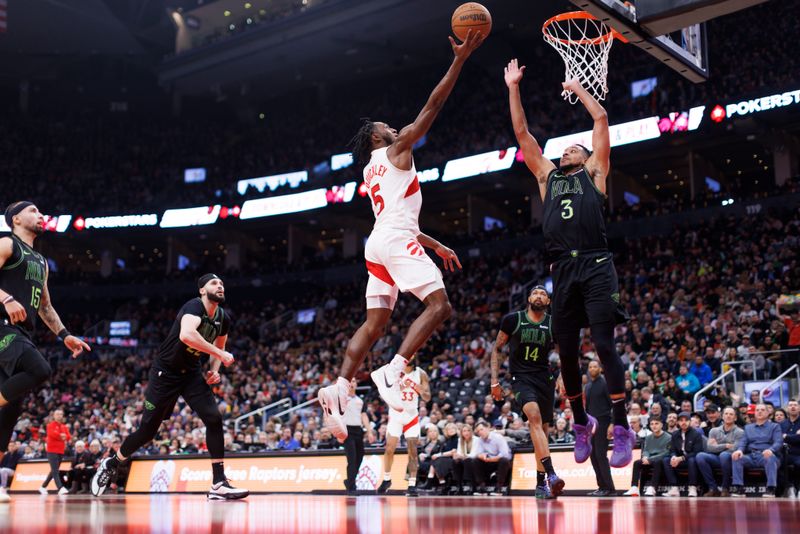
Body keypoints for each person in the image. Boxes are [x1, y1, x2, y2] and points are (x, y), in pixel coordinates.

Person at [317, 30, 485, 442]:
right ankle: (393, 370)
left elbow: (398, 217)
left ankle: (340, 386)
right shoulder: (397, 149)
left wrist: (433, 243)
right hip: (392, 239)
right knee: (440, 305)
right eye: (387, 127)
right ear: (379, 138)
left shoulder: (370, 167)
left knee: (374, 323)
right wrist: (460, 60)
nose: (395, 127)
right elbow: (434, 104)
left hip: (380, 243)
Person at [504, 59, 634, 469]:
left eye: (573, 148)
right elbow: (523, 134)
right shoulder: (547, 176)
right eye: (563, 149)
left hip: (596, 265)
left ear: (586, 155)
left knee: (605, 345)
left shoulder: (595, 170)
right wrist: (513, 88)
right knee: (568, 353)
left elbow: (601, 117)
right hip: (562, 269)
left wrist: (577, 89)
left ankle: (622, 426)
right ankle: (581, 423)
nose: (566, 151)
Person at [91, 274, 248, 500]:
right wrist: (220, 355)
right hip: (165, 372)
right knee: (148, 430)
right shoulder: (193, 306)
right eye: (214, 283)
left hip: (191, 373)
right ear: (202, 290)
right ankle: (112, 462)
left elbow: (219, 345)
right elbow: (187, 335)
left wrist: (215, 369)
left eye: (222, 283)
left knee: (214, 418)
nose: (220, 286)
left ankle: (218, 483)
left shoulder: (223, 318)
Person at [0, 202, 91, 494]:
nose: (41, 216)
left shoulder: (40, 260)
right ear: (16, 219)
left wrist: (64, 334)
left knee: (10, 410)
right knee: (39, 369)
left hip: (21, 330)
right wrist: (6, 299)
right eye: (34, 211)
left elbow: (45, 306)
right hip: (2, 325)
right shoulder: (6, 243)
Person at [491, 285, 564, 499]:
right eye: (535, 293)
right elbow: (496, 349)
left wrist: (562, 376)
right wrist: (494, 381)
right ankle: (551, 474)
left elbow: (565, 352)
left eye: (543, 294)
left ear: (548, 302)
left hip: (545, 379)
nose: (539, 296)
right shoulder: (513, 320)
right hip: (521, 378)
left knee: (542, 431)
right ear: (529, 298)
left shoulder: (553, 323)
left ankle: (541, 485)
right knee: (534, 417)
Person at [377, 362, 431, 497]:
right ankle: (387, 479)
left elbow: (427, 397)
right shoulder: (393, 371)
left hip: (411, 417)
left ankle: (412, 484)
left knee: (412, 450)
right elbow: (383, 390)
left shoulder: (421, 373)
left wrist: (419, 390)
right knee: (389, 449)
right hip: (395, 416)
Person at [731, 403, 783, 498]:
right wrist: (739, 450)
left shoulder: (775, 427)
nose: (759, 412)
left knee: (769, 458)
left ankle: (771, 488)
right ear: (754, 413)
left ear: (768, 413)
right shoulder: (748, 427)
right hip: (751, 456)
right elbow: (743, 442)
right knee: (737, 457)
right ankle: (738, 487)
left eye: (762, 410)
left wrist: (771, 450)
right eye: (757, 410)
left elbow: (778, 442)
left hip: (766, 455)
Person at [583, 360, 616, 496]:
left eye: (595, 366)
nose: (592, 369)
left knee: (600, 455)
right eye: (590, 367)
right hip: (592, 425)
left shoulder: (605, 384)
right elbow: (588, 408)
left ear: (600, 369)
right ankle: (601, 486)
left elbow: (614, 404)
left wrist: (612, 424)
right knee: (593, 456)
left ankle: (610, 488)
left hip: (604, 422)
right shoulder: (588, 386)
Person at [696, 406, 743, 497]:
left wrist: (717, 446)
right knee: (700, 456)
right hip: (716, 458)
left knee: (724, 455)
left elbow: (735, 448)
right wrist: (725, 445)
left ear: (735, 418)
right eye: (726, 414)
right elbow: (709, 448)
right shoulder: (714, 431)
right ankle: (712, 488)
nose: (728, 416)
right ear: (722, 416)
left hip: (730, 459)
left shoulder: (740, 432)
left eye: (731, 414)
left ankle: (725, 487)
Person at [660, 412, 705, 497]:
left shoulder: (696, 434)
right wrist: (673, 456)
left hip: (690, 460)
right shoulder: (675, 434)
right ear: (678, 422)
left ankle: (692, 487)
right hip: (679, 460)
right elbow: (672, 449)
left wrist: (681, 458)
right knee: (666, 460)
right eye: (681, 420)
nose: (683, 422)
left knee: (692, 460)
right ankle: (674, 488)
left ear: (690, 422)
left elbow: (697, 452)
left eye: (686, 420)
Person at [625, 418, 670, 497]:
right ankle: (634, 487)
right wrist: (645, 457)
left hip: (660, 459)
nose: (654, 426)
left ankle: (652, 488)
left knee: (657, 462)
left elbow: (666, 453)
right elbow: (646, 450)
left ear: (661, 425)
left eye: (656, 423)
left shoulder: (668, 437)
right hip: (649, 459)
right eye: (652, 424)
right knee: (637, 463)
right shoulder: (648, 437)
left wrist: (650, 459)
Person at [466, 422, 512, 496]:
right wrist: (482, 456)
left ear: (488, 428)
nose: (480, 432)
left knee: (504, 460)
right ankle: (482, 487)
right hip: (488, 460)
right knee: (475, 461)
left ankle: (499, 488)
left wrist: (492, 459)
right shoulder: (480, 440)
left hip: (501, 461)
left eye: (481, 429)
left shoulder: (498, 437)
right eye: (478, 431)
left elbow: (505, 454)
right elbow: (477, 453)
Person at [342, 378, 370, 494]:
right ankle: (352, 487)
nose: (352, 384)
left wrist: (369, 430)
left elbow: (363, 415)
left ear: (356, 384)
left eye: (354, 381)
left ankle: (349, 480)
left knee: (360, 457)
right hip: (347, 431)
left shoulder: (360, 400)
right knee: (352, 459)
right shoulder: (342, 399)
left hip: (358, 430)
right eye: (350, 382)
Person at [420, 422, 459, 493]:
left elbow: (453, 452)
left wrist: (439, 455)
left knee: (436, 460)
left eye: (452, 428)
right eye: (448, 429)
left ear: (456, 429)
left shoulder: (457, 439)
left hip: (454, 460)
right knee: (436, 460)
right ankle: (442, 484)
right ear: (446, 431)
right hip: (444, 459)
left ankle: (431, 481)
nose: (451, 430)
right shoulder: (448, 440)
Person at [40, 409, 70, 495]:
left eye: (61, 414)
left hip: (60, 450)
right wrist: (61, 436)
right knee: (55, 470)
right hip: (52, 450)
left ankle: (43, 487)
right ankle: (60, 488)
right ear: (54, 416)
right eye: (57, 414)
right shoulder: (50, 425)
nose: (59, 416)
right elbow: (52, 434)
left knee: (54, 470)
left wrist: (63, 436)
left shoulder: (64, 427)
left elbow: (68, 436)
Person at [780, 399, 800, 497]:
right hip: (784, 453)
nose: (793, 407)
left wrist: (786, 436)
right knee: (776, 463)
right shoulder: (782, 424)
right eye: (790, 405)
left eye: (795, 405)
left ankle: (797, 488)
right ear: (787, 408)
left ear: (799, 408)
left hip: (798, 453)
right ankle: (785, 489)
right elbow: (779, 438)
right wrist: (794, 436)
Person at [453, 424, 479, 495]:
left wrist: (462, 456)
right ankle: (459, 486)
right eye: (464, 431)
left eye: (468, 431)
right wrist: (457, 456)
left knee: (468, 461)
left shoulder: (476, 439)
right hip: (464, 459)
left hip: (474, 460)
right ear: (461, 432)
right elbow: (459, 452)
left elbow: (474, 454)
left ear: (471, 432)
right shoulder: (460, 440)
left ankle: (471, 485)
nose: (466, 432)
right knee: (455, 462)